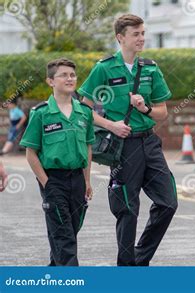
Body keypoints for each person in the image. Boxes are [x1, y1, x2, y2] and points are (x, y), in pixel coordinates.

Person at [78, 14, 177, 266]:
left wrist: (144, 109)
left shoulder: (151, 68)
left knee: (168, 202)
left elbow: (162, 112)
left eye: (143, 33)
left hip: (149, 142)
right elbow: (83, 110)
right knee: (127, 209)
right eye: (136, 34)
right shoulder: (104, 68)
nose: (141, 38)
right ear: (120, 37)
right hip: (123, 146)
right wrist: (110, 124)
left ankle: (139, 258)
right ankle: (126, 269)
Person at [19, 58, 94, 266]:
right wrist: (47, 183)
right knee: (64, 236)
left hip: (78, 179)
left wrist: (87, 181)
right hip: (54, 180)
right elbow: (31, 153)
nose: (70, 79)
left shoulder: (84, 112)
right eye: (64, 75)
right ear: (50, 81)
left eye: (72, 75)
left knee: (69, 232)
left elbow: (87, 148)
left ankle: (53, 275)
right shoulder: (41, 113)